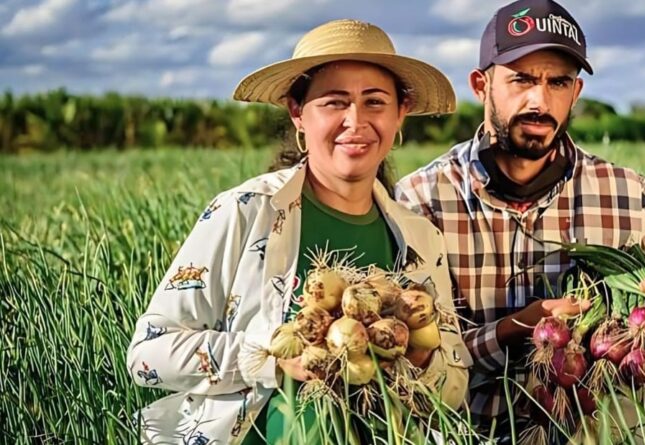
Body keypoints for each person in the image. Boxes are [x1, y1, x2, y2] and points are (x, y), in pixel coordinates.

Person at [395, 0, 645, 442]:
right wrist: (515, 329)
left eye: (558, 82)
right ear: (482, 84)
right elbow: (414, 355)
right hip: (466, 430)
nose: (540, 101)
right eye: (521, 79)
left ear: (576, 92)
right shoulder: (423, 199)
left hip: (596, 427)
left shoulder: (624, 193)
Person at [126, 19, 470, 445]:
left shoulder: (420, 238)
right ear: (297, 113)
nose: (355, 120)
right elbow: (148, 355)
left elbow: (455, 388)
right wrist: (272, 359)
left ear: (400, 113)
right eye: (334, 102)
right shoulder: (245, 211)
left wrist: (416, 357)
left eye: (375, 102)